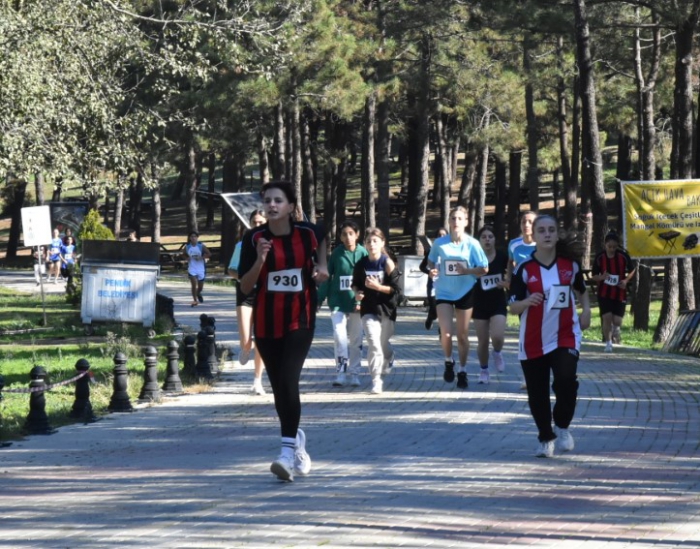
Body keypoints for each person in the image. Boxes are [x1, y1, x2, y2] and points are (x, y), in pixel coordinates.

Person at [238, 181, 328, 482]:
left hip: (300, 318)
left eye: (278, 200)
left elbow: (324, 237)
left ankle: (286, 452)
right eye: (267, 201)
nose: (272, 205)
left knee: (289, 379)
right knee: (280, 388)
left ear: (291, 206)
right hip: (265, 322)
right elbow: (245, 287)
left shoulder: (308, 233)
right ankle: (297, 442)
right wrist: (261, 260)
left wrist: (323, 268)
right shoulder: (254, 238)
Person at [508, 214, 591, 458]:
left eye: (551, 230)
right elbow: (512, 306)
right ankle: (546, 437)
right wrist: (526, 301)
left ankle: (562, 426)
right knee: (537, 392)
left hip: (566, 334)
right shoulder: (524, 269)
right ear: (533, 235)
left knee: (566, 380)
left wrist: (586, 311)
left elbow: (582, 291)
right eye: (541, 230)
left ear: (556, 234)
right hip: (533, 339)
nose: (546, 234)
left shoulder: (570, 265)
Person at [427, 207, 488, 389]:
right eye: (453, 218)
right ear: (449, 221)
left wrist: (467, 271)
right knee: (446, 333)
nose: (456, 222)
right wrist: (432, 270)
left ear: (466, 222)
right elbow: (431, 261)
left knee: (462, 336)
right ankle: (448, 361)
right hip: (444, 292)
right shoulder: (440, 243)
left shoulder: (473, 244)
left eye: (459, 219)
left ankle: (462, 369)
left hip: (465, 292)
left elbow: (484, 269)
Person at [318, 220, 368, 387]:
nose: (348, 238)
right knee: (340, 337)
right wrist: (319, 299)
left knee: (356, 339)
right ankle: (340, 372)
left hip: (357, 304)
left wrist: (367, 299)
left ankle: (355, 373)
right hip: (337, 302)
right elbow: (327, 277)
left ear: (357, 235)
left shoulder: (364, 253)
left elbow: (370, 279)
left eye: (351, 234)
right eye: (344, 234)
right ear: (340, 237)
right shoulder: (336, 254)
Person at [352, 228, 401, 395]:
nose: (372, 244)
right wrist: (357, 293)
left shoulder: (387, 263)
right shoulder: (361, 264)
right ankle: (376, 380)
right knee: (373, 343)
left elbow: (396, 290)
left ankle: (389, 356)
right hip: (368, 309)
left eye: (375, 241)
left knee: (382, 343)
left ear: (382, 243)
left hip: (386, 309)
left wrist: (378, 287)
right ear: (364, 245)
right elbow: (355, 283)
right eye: (368, 242)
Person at [228, 209, 268, 395]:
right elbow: (231, 270)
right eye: (255, 222)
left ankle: (257, 380)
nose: (258, 226)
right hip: (245, 294)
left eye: (261, 222)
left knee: (261, 339)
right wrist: (246, 276)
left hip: (264, 294)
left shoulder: (271, 245)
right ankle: (245, 346)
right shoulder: (242, 245)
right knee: (247, 338)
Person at [473, 225, 509, 385]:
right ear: (479, 241)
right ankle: (484, 370)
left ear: (495, 240)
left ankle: (497, 352)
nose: (487, 239)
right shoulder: (473, 257)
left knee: (497, 336)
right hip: (478, 303)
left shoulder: (502, 256)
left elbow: (510, 278)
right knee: (482, 341)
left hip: (498, 302)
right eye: (484, 237)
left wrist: (505, 283)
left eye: (490, 236)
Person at [506, 210, 537, 389]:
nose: (526, 225)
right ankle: (529, 376)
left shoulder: (542, 244)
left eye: (530, 222)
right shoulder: (514, 244)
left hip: (541, 295)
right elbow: (510, 263)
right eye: (524, 221)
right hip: (522, 297)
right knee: (526, 335)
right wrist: (510, 280)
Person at [591, 232, 636, 352]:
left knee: (617, 320)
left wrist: (626, 281)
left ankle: (616, 329)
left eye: (614, 247)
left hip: (619, 292)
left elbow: (632, 270)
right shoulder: (600, 257)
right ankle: (608, 343)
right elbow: (594, 276)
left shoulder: (623, 256)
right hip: (604, 293)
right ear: (605, 245)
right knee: (607, 318)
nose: (611, 249)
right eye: (609, 246)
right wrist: (602, 277)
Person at [419, 227, 448, 331]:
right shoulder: (432, 251)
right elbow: (422, 267)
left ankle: (442, 330)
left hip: (446, 285)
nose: (441, 237)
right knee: (434, 310)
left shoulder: (451, 252)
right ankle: (430, 318)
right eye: (439, 235)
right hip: (433, 285)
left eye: (444, 235)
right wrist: (429, 272)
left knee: (444, 308)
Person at [182, 231, 211, 307]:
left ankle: (198, 293)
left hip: (201, 268)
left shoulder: (201, 246)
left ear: (197, 237)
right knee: (194, 284)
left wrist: (201, 257)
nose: (193, 238)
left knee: (200, 287)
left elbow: (209, 254)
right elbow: (183, 254)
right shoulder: (187, 246)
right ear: (189, 238)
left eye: (195, 236)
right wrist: (186, 258)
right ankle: (195, 300)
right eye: (192, 236)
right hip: (192, 268)